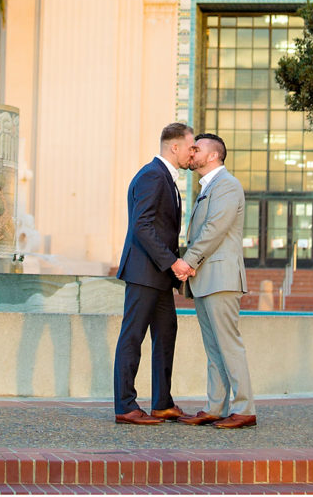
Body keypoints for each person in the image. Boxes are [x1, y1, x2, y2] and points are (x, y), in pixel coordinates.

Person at [113, 122, 195, 425]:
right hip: (144, 271)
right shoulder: (152, 176)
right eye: (191, 147)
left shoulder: (166, 179)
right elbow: (142, 226)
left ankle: (162, 403)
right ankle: (125, 406)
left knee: (166, 335)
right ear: (175, 147)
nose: (193, 153)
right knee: (132, 338)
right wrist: (173, 262)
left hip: (159, 275)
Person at [177, 133, 257, 429]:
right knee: (214, 348)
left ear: (212, 155)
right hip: (206, 279)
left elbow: (214, 229)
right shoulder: (208, 187)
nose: (192, 152)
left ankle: (245, 408)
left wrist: (188, 261)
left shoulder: (227, 185)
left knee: (229, 345)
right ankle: (215, 407)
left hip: (221, 278)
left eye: (196, 148)